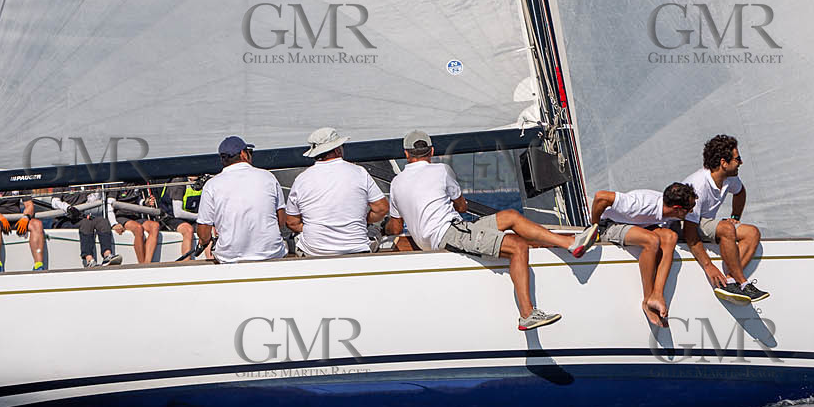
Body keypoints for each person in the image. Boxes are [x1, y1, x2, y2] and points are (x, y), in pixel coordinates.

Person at [386, 129, 580, 331]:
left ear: (406, 154)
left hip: (448, 233)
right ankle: (527, 314)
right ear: (432, 151)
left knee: (511, 216)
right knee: (518, 246)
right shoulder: (442, 170)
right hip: (449, 234)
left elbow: (396, 227)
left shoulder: (396, 183)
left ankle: (569, 242)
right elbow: (461, 207)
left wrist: (385, 227)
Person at [578, 183, 697, 326]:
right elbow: (601, 197)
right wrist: (594, 227)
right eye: (689, 210)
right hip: (609, 225)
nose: (691, 212)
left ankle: (657, 295)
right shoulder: (639, 205)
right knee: (652, 241)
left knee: (670, 237)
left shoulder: (669, 210)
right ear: (677, 209)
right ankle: (647, 301)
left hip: (637, 225)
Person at [682, 134, 768, 303]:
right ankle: (743, 282)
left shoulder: (730, 178)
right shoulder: (698, 185)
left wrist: (735, 216)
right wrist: (708, 266)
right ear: (723, 163)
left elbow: (740, 192)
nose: (741, 162)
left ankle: (729, 281)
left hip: (702, 223)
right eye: (737, 159)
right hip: (683, 224)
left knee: (752, 233)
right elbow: (689, 231)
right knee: (727, 228)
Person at [285, 127, 389, 256]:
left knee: (293, 238)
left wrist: (314, 228)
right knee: (374, 230)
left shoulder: (302, 179)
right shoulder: (359, 172)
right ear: (337, 150)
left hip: (315, 252)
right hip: (356, 248)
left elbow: (291, 222)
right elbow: (381, 208)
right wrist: (363, 221)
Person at [195, 136, 287, 263]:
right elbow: (281, 221)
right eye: (250, 152)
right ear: (243, 154)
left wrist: (205, 241)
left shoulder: (211, 185)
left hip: (230, 258)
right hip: (271, 253)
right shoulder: (268, 177)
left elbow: (204, 233)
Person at [50, 188, 123, 267]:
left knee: (102, 221)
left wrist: (97, 192)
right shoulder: (62, 184)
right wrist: (68, 208)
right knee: (86, 223)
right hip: (65, 220)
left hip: (83, 216)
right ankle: (89, 260)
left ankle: (107, 255)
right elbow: (54, 202)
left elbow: (92, 201)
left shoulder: (86, 185)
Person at [0, 190, 46, 272]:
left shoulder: (19, 183)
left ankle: (38, 265)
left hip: (14, 220)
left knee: (37, 224)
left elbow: (29, 205)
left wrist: (26, 217)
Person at [112, 186, 160, 264]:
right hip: (121, 216)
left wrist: (145, 203)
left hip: (135, 216)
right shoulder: (115, 184)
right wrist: (113, 224)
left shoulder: (136, 183)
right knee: (138, 228)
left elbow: (137, 200)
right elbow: (109, 205)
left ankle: (147, 263)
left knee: (155, 226)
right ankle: (141, 264)